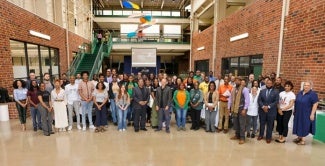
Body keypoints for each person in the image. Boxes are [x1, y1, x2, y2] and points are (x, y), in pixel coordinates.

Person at [293, 81, 318, 145]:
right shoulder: (300, 93)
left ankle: (303, 140)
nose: (306, 86)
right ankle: (299, 137)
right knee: (298, 124)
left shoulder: (313, 94)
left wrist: (312, 114)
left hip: (306, 113)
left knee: (304, 125)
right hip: (298, 112)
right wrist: (294, 110)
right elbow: (296, 102)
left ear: (310, 86)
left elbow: (315, 104)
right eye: (305, 85)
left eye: (308, 85)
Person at [228, 78, 250, 144]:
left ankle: (242, 138)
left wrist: (245, 109)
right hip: (234, 109)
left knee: (242, 124)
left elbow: (247, 100)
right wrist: (229, 107)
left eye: (238, 80)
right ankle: (237, 135)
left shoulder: (245, 89)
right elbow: (230, 98)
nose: (237, 81)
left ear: (241, 81)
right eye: (235, 80)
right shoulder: (233, 89)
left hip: (241, 109)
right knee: (236, 123)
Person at [257, 79, 279, 144]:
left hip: (271, 111)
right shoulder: (262, 91)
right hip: (262, 110)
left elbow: (276, 101)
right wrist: (263, 107)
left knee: (270, 125)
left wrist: (268, 106)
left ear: (272, 84)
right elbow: (259, 100)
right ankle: (261, 135)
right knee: (262, 124)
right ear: (266, 84)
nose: (269, 84)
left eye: (270, 83)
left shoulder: (276, 92)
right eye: (267, 83)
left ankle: (268, 137)